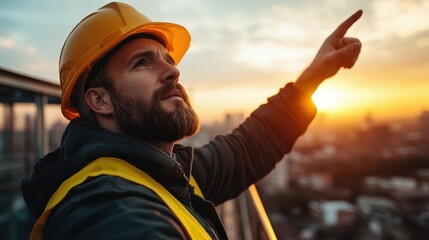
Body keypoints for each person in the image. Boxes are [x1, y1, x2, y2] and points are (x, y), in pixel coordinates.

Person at [21, 2, 362, 239]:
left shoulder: (166, 172)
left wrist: (311, 80)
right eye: (142, 63)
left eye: (167, 60)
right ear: (100, 99)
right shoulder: (103, 204)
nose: (173, 71)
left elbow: (246, 148)